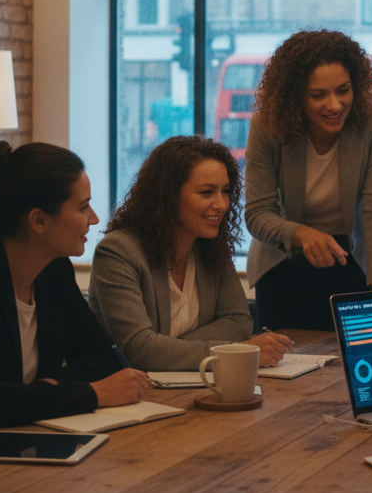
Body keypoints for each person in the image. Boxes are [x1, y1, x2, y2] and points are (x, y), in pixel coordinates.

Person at [0, 141, 152, 443]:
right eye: (82, 207)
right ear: (39, 220)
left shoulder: (54, 271)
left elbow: (104, 358)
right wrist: (92, 393)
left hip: (23, 440)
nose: (94, 219)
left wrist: (45, 389)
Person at [89, 136, 293, 370]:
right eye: (207, 192)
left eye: (225, 191)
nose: (221, 204)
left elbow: (239, 322)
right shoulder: (118, 252)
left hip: (195, 386)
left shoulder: (211, 246)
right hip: (132, 397)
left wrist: (165, 347)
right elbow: (139, 351)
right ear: (167, 196)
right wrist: (235, 351)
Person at [245, 29, 372, 331]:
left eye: (343, 90)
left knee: (359, 367)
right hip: (283, 261)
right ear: (295, 96)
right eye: (318, 95)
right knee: (286, 370)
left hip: (353, 260)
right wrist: (303, 235)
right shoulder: (268, 124)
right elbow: (257, 213)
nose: (334, 105)